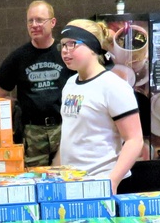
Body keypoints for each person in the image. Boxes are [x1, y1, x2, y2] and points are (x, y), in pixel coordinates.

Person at [57, 19, 145, 195]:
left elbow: (135, 140)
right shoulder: (70, 83)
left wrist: (112, 181)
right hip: (72, 181)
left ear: (92, 47)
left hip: (101, 182)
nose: (66, 50)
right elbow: (72, 134)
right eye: (63, 45)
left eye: (72, 44)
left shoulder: (113, 86)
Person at [0, 0, 75, 166]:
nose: (34, 25)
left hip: (64, 128)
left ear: (53, 22)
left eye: (39, 20)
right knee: (36, 181)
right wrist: (15, 107)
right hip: (32, 133)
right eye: (30, 21)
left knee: (66, 178)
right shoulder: (18, 57)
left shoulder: (65, 53)